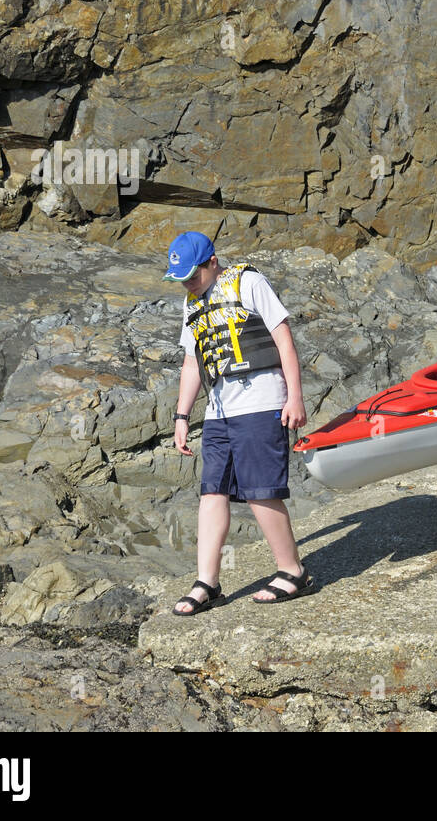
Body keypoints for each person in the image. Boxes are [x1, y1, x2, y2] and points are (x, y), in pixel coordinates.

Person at [163, 231, 313, 614]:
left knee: (261, 490)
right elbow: (193, 362)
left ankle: (292, 571)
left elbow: (284, 340)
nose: (188, 285)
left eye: (192, 277)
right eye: (181, 280)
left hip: (261, 402)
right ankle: (207, 583)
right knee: (211, 492)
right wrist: (182, 416)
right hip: (218, 411)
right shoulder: (191, 301)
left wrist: (294, 396)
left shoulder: (250, 281)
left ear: (212, 262)